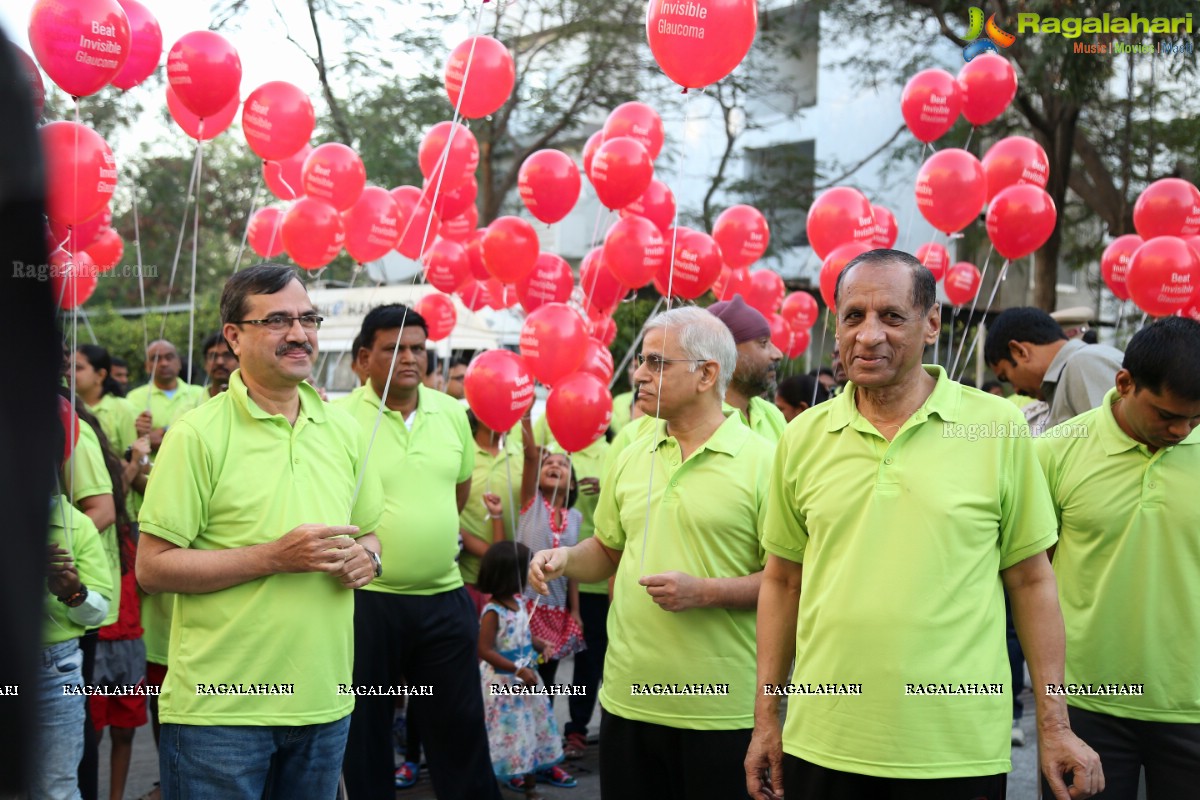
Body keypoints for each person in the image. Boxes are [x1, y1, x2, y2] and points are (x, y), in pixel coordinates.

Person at [746, 249, 1102, 800]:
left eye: (891, 316)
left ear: (931, 323)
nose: (868, 336)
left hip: (955, 750)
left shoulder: (997, 427)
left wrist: (1054, 727)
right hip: (823, 741)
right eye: (853, 316)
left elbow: (1032, 580)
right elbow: (782, 580)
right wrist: (767, 718)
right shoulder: (802, 437)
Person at [135, 264, 385, 800]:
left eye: (307, 318)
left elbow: (369, 534)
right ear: (234, 335)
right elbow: (152, 569)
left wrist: (370, 559)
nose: (299, 333)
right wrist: (272, 557)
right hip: (219, 713)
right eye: (276, 320)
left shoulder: (343, 428)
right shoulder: (196, 435)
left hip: (324, 703)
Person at [530, 306, 776, 799]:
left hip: (721, 709)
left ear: (707, 374)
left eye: (657, 363)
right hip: (627, 701)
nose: (638, 374)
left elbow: (786, 581)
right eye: (641, 361)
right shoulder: (630, 452)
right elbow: (607, 549)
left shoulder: (764, 462)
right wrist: (563, 559)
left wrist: (704, 592)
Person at [338, 304, 500, 800]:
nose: (410, 358)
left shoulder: (453, 414)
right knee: (364, 732)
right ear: (364, 358)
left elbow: (458, 493)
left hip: (444, 598)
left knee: (460, 728)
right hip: (366, 603)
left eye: (417, 349)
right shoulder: (336, 419)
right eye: (394, 349)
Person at [1036, 316, 1200, 800]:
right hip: (1084, 705)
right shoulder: (1054, 452)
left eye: (1195, 418)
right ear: (1124, 383)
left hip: (1192, 706)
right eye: (1167, 414)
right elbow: (1029, 577)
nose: (1182, 429)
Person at [529, 415, 608, 761]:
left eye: (563, 465)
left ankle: (564, 737)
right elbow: (533, 462)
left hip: (577, 597)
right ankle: (533, 741)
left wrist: (574, 610)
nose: (556, 465)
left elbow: (574, 565)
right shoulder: (532, 501)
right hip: (542, 598)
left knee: (572, 668)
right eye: (550, 463)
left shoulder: (577, 518)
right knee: (536, 671)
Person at [477, 541, 570, 797]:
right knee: (505, 734)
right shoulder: (492, 611)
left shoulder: (518, 602)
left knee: (530, 731)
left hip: (526, 682)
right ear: (511, 576)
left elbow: (521, 632)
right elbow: (485, 650)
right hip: (503, 685)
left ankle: (530, 785)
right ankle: (494, 783)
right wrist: (517, 670)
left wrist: (539, 644)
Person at [39, 489, 113, 800]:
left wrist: (74, 592)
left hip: (55, 672)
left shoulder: (76, 525)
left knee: (56, 789)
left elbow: (98, 611)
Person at [984, 307, 1124, 429]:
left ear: (1020, 352)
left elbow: (1113, 447)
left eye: (1006, 376)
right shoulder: (1070, 374)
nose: (1016, 390)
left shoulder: (1081, 365)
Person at [459, 411, 523, 612]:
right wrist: (489, 553)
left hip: (510, 583)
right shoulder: (461, 451)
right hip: (465, 578)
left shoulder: (522, 455)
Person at [707, 295, 787, 441]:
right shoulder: (696, 421)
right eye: (763, 343)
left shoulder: (772, 415)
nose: (778, 354)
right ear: (726, 352)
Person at [73, 345, 149, 494]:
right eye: (68, 367)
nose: (70, 373)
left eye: (78, 368)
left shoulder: (123, 409)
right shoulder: (70, 407)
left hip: (121, 502)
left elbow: (140, 462)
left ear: (100, 375)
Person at [126, 340, 204, 453]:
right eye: (156, 359)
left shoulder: (199, 393)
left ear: (179, 363)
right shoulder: (134, 397)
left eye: (169, 357)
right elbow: (132, 441)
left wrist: (164, 431)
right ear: (147, 366)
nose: (164, 363)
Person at [200, 331, 238, 398]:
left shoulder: (254, 400)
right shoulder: (192, 403)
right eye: (213, 356)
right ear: (205, 363)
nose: (219, 362)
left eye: (227, 355)